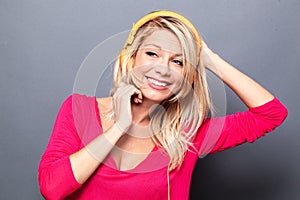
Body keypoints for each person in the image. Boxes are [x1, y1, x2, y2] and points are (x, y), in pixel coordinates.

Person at [38, 10, 288, 200]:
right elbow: (52, 189)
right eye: (152, 54)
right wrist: (120, 126)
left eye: (177, 62)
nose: (163, 69)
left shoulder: (188, 133)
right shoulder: (78, 109)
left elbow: (271, 115)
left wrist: (210, 60)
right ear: (130, 58)